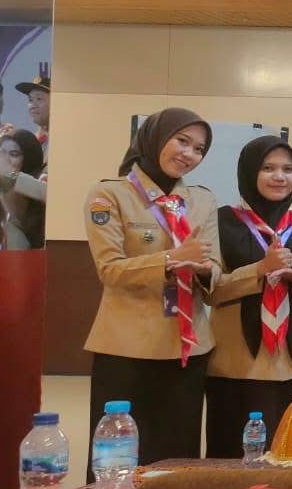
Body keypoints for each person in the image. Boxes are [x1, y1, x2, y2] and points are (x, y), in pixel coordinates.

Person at [83, 108, 221, 464]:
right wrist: (172, 259)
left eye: (199, 149)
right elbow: (110, 269)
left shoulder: (202, 200)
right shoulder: (109, 194)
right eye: (182, 141)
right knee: (119, 459)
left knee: (178, 456)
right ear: (155, 138)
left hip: (187, 349)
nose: (189, 154)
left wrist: (205, 271)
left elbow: (215, 266)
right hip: (127, 348)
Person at [206, 136, 292, 456]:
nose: (279, 176)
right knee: (234, 457)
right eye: (268, 168)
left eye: (288, 169)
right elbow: (209, 290)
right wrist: (259, 269)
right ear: (248, 172)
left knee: (291, 455)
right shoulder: (221, 222)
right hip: (237, 362)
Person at [0, 129, 45, 248]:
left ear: (28, 158)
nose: (5, 159)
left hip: (25, 253)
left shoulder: (39, 179)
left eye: (13, 154)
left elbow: (46, 193)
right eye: (2, 152)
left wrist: (8, 173)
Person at [16, 73, 50, 155]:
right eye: (30, 100)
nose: (33, 105)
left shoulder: (64, 137)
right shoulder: (34, 140)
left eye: (39, 99)